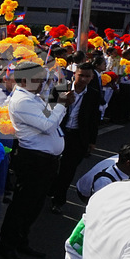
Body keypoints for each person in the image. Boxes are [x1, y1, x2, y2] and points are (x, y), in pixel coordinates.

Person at [0, 62, 70, 259]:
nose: (42, 84)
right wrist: (62, 104)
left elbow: (49, 117)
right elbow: (48, 125)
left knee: (34, 204)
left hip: (45, 160)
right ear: (23, 81)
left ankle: (21, 240)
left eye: (43, 79)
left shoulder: (33, 98)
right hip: (34, 160)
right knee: (23, 204)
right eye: (38, 80)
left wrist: (58, 105)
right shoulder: (22, 100)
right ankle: (8, 245)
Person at [50, 63, 101, 213]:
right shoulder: (60, 89)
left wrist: (92, 141)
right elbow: (49, 110)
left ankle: (58, 200)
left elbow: (93, 119)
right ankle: (50, 189)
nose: (84, 79)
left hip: (78, 136)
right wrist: (64, 102)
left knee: (69, 169)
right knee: (52, 166)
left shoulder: (93, 94)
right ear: (74, 75)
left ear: (92, 78)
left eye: (88, 76)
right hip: (59, 132)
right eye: (81, 75)